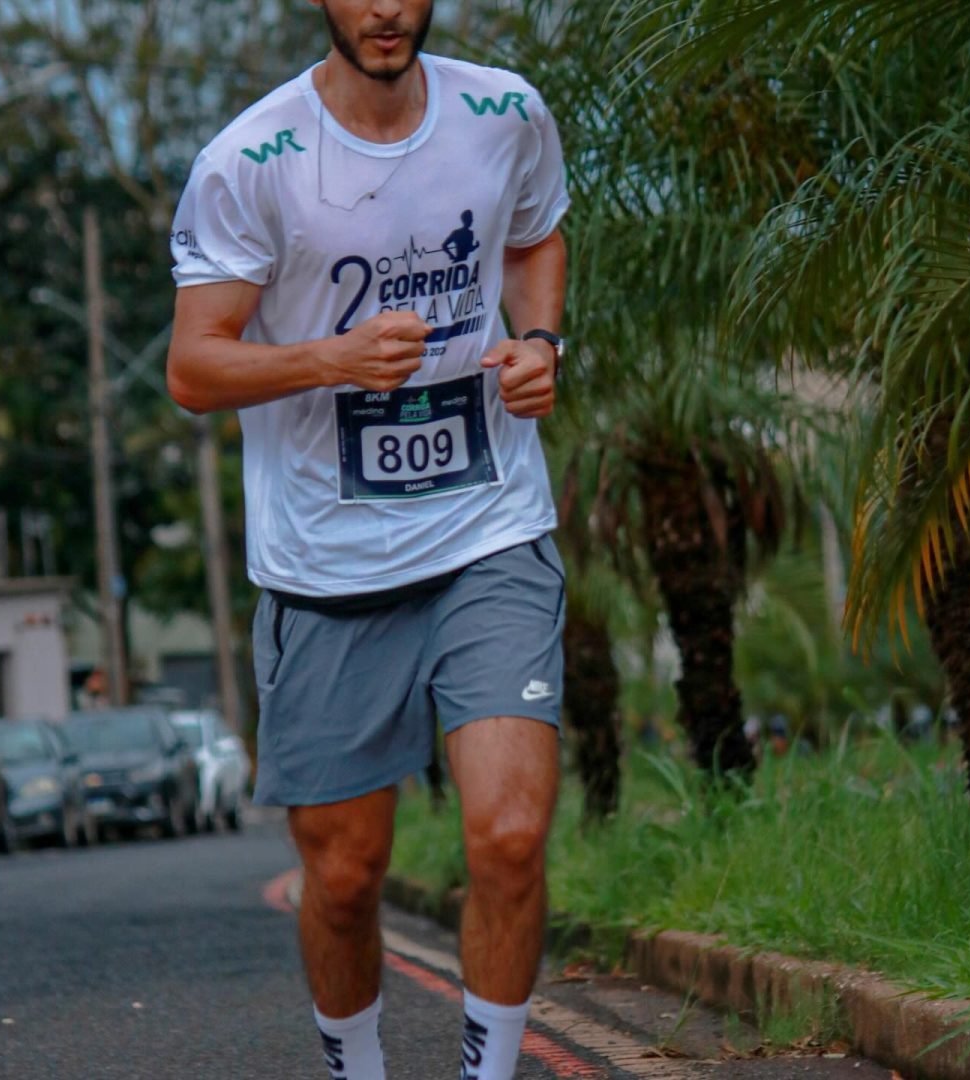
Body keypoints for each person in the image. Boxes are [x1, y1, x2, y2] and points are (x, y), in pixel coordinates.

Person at [166, 1, 568, 1076]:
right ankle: (360, 1066)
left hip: (489, 530)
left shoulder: (505, 113)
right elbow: (194, 366)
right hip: (326, 564)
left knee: (512, 835)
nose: (385, 7)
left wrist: (539, 342)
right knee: (344, 881)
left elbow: (533, 238)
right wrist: (328, 361)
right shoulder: (253, 159)